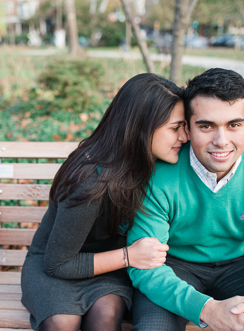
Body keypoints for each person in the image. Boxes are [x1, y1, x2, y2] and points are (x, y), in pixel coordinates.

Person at [127, 68, 244, 331]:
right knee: (152, 327)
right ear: (187, 128)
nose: (221, 141)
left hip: (241, 263)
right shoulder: (157, 175)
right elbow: (146, 267)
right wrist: (209, 310)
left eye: (233, 125)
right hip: (173, 265)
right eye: (206, 126)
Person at [21, 73, 185, 331]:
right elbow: (58, 264)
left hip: (109, 269)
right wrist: (129, 256)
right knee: (62, 324)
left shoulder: (157, 163)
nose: (184, 137)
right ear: (142, 127)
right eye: (175, 128)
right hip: (55, 265)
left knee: (105, 317)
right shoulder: (89, 179)